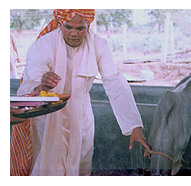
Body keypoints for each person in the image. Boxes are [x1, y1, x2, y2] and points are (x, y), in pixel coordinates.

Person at [17, 9, 150, 176]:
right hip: (48, 119)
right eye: (68, 27)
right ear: (60, 24)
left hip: (81, 117)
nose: (74, 34)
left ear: (88, 25)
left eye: (80, 29)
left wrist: (134, 126)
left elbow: (114, 83)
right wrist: (41, 86)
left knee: (80, 167)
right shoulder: (43, 45)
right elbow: (28, 88)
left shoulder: (98, 45)